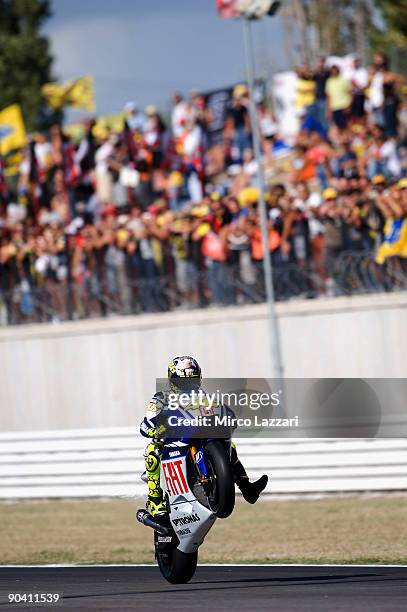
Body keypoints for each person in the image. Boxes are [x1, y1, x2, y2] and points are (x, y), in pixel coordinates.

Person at [140, 355, 268, 517]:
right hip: (173, 440)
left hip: (200, 434)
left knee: (229, 446)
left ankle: (247, 488)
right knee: (153, 450)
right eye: (183, 382)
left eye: (192, 381)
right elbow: (146, 425)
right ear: (172, 380)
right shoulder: (161, 398)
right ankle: (155, 500)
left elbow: (224, 411)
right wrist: (157, 430)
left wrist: (228, 418)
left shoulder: (205, 397)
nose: (188, 385)